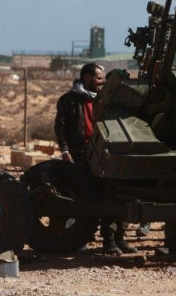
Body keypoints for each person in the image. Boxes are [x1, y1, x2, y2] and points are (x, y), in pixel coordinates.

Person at [54, 62, 136, 256]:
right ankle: (92, 241)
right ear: (87, 78)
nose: (102, 82)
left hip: (103, 153)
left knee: (112, 194)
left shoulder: (105, 100)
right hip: (80, 155)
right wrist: (65, 151)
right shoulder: (69, 101)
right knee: (86, 197)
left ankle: (117, 239)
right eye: (99, 78)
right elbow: (61, 128)